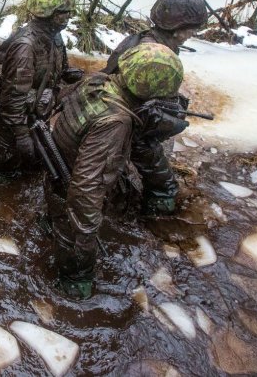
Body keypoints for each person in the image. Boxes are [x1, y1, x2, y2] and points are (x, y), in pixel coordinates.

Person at [45, 43, 187, 299]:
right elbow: (87, 187)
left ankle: (51, 224)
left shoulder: (97, 81)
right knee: (78, 279)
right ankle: (72, 287)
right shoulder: (116, 122)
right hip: (69, 190)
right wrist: (85, 242)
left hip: (58, 171)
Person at [101, 0, 209, 213]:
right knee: (164, 186)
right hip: (129, 121)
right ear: (178, 29)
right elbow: (144, 111)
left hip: (124, 113)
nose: (192, 33)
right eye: (190, 29)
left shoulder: (141, 40)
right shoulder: (153, 52)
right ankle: (156, 211)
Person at [0, 0, 83, 180]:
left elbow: (55, 69)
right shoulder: (25, 47)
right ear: (49, 13)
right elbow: (12, 99)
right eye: (63, 13)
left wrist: (69, 74)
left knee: (33, 167)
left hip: (36, 114)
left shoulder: (55, 38)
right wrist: (21, 135)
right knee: (6, 172)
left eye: (69, 13)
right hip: (15, 123)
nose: (68, 17)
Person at [102, 0, 209, 73]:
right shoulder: (154, 56)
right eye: (192, 29)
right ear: (176, 28)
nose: (194, 33)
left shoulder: (147, 39)